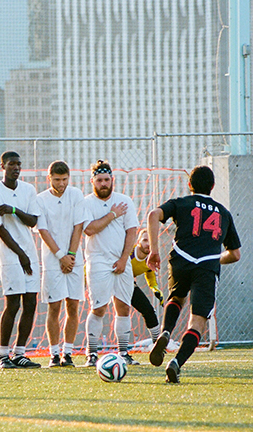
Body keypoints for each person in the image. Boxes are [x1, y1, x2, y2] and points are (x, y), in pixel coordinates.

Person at [147, 165, 241, 383]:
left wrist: (153, 251)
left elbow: (153, 215)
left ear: (189, 184)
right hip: (206, 267)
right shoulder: (223, 213)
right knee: (197, 321)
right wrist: (213, 258)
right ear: (213, 187)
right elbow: (235, 254)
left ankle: (166, 331)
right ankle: (176, 363)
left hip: (180, 259)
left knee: (176, 297)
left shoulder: (181, 202)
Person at [80, 160, 139, 367]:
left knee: (123, 307)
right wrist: (112, 215)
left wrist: (124, 259)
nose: (103, 184)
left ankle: (124, 352)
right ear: (92, 181)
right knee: (98, 308)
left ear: (112, 180)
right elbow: (89, 229)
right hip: (97, 262)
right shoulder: (86, 202)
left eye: (106, 180)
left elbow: (132, 231)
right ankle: (91, 353)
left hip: (121, 261)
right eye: (99, 180)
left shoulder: (125, 200)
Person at [0, 151, 41, 369]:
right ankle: (2, 355)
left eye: (19, 164)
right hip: (11, 256)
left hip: (30, 254)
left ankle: (20, 353)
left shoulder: (28, 190)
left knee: (31, 303)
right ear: (2, 165)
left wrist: (14, 210)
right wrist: (20, 254)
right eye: (11, 164)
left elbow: (33, 221)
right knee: (13, 304)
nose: (16, 168)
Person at [36, 160, 85, 367]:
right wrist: (60, 256)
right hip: (52, 259)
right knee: (54, 307)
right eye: (57, 180)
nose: (61, 183)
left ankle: (68, 353)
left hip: (74, 260)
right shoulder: (40, 199)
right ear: (50, 179)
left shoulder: (76, 195)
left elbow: (79, 225)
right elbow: (43, 231)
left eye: (65, 179)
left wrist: (71, 255)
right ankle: (54, 354)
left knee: (73, 306)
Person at [129, 229, 176, 359]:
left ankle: (157, 346)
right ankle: (93, 351)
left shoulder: (151, 258)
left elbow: (149, 273)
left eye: (150, 240)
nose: (148, 244)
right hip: (114, 280)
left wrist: (155, 288)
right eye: (144, 240)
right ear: (138, 242)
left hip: (128, 285)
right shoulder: (129, 252)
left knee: (148, 310)